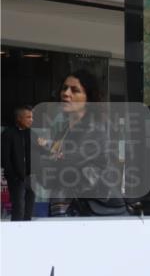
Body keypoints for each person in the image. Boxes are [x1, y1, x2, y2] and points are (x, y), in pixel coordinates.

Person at [40, 72, 127, 217]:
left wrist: (51, 155)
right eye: (64, 88)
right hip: (68, 207)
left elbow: (66, 164)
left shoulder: (96, 128)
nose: (66, 94)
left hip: (94, 210)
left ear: (89, 98)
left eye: (75, 90)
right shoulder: (64, 129)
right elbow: (47, 175)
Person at [1, 106, 35, 221]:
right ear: (19, 118)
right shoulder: (8, 133)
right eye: (28, 117)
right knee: (19, 207)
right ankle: (16, 234)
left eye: (32, 117)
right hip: (16, 177)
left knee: (29, 207)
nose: (31, 120)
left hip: (29, 176)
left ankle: (27, 231)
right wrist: (12, 175)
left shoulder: (31, 133)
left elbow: (40, 150)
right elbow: (4, 157)